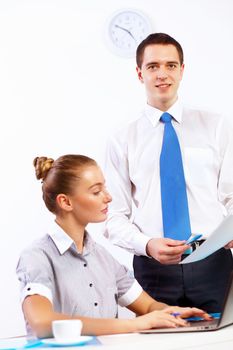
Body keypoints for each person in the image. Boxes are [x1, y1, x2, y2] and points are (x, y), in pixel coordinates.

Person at [104, 33, 233, 312]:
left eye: (171, 65)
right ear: (140, 73)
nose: (163, 74)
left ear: (182, 70)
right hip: (154, 269)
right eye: (153, 67)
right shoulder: (122, 138)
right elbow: (113, 217)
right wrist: (147, 244)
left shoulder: (217, 125)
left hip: (214, 263)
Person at [16, 154, 210, 339]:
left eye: (105, 189)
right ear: (65, 201)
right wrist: (136, 324)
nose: (108, 197)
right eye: (96, 191)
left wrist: (173, 312)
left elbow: (149, 307)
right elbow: (41, 324)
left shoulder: (103, 258)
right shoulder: (37, 257)